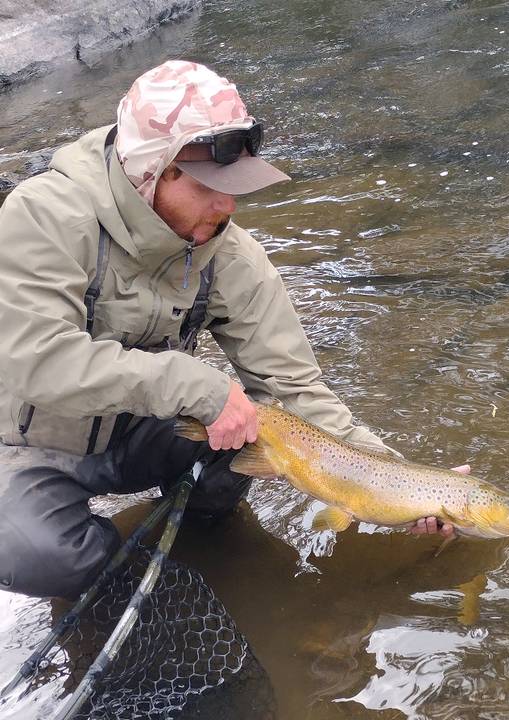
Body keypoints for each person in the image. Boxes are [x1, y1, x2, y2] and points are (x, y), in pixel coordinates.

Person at [0, 60, 455, 601]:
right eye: (209, 187)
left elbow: (295, 390)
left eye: (235, 186)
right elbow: (37, 360)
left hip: (141, 431)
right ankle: (101, 569)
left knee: (254, 427)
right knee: (45, 557)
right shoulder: (44, 216)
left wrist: (403, 486)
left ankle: (203, 546)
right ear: (153, 173)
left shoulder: (230, 253)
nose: (229, 205)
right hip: (24, 443)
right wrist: (199, 386)